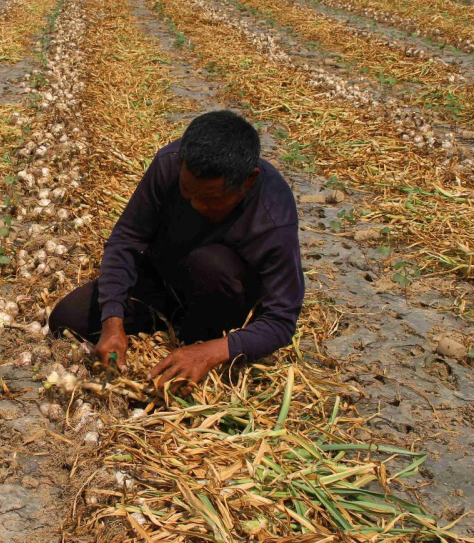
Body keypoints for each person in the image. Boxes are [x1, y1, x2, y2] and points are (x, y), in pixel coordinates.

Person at [49, 111, 304, 394]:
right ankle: (173, 323)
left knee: (209, 263)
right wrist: (112, 320)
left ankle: (196, 338)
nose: (195, 205)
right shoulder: (168, 164)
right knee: (67, 320)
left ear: (248, 181)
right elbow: (126, 240)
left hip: (219, 297)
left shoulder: (273, 213)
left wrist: (210, 351)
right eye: (186, 190)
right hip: (163, 278)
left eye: (211, 199)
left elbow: (281, 319)